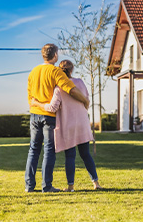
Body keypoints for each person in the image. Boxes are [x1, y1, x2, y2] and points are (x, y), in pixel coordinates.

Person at [25, 44, 89, 193]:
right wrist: (84, 101)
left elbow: (30, 98)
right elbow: (71, 90)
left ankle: (29, 186)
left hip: (34, 114)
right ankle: (46, 186)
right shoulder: (55, 71)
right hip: (49, 117)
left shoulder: (33, 72)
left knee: (33, 149)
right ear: (55, 56)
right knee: (48, 150)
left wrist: (37, 104)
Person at [31, 60, 102, 192]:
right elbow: (86, 99)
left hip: (68, 126)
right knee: (86, 154)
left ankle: (71, 186)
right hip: (82, 123)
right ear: (71, 70)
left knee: (70, 156)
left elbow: (52, 108)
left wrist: (37, 104)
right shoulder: (80, 82)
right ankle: (96, 183)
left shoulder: (58, 88)